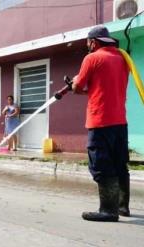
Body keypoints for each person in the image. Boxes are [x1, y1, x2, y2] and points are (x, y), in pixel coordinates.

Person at [72, 25, 130, 222]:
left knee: (101, 165)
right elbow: (104, 88)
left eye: (88, 43)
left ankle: (108, 210)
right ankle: (122, 207)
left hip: (100, 122)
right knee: (119, 163)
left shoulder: (92, 58)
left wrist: (74, 83)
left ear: (93, 42)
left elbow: (78, 87)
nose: (88, 46)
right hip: (120, 122)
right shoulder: (123, 59)